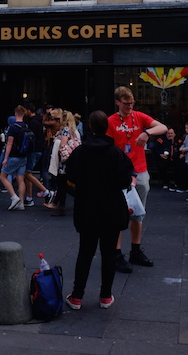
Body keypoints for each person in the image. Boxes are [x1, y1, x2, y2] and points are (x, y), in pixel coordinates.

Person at [65, 111, 133, 310]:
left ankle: (77, 296)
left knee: (85, 252)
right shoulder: (116, 153)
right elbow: (125, 181)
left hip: (87, 208)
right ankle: (105, 296)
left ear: (90, 127)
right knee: (109, 253)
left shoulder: (80, 152)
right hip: (111, 208)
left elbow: (70, 177)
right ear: (106, 127)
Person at [107, 86, 167, 272]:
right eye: (126, 104)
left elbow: (163, 127)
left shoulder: (139, 117)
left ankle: (135, 250)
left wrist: (147, 133)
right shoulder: (111, 121)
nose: (130, 107)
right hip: (120, 174)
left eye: (132, 103)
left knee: (138, 213)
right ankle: (116, 254)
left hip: (139, 171)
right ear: (118, 102)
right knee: (117, 215)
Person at [49, 110, 81, 217]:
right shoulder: (73, 130)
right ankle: (60, 205)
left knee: (62, 185)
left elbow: (63, 145)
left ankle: (62, 206)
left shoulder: (65, 130)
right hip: (70, 161)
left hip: (64, 163)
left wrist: (57, 143)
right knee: (64, 185)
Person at [0, 105, 29, 211]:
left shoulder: (13, 127)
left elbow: (9, 143)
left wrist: (5, 158)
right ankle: (21, 202)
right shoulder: (26, 126)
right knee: (20, 179)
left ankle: (13, 196)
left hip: (13, 156)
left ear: (15, 114)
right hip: (23, 156)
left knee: (3, 176)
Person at [23, 103, 49, 206]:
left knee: (27, 173)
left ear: (29, 110)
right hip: (37, 149)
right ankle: (29, 197)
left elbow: (30, 138)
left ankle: (46, 191)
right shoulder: (38, 121)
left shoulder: (33, 122)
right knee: (28, 173)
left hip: (33, 150)